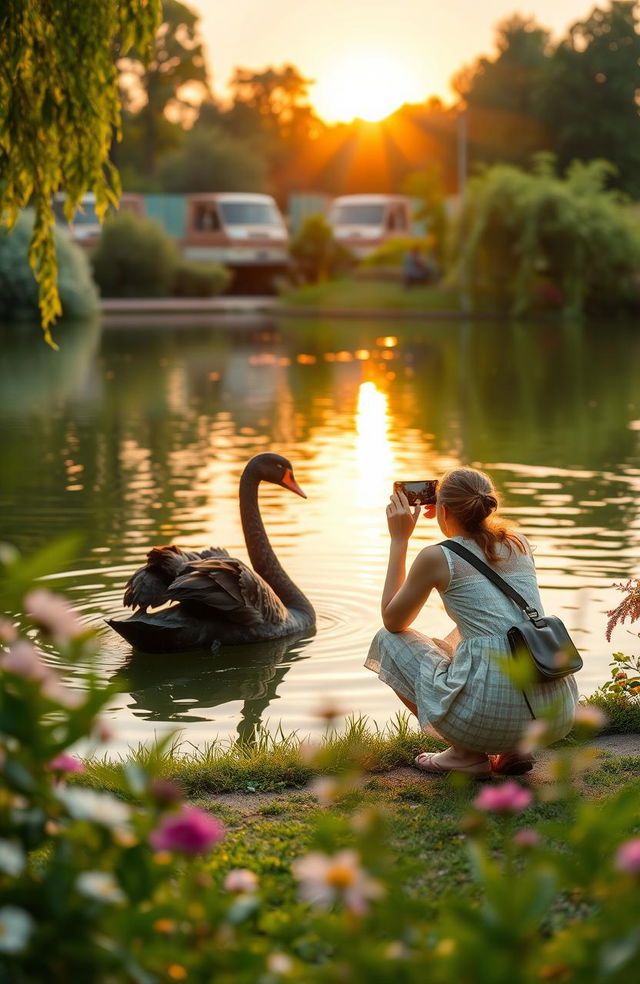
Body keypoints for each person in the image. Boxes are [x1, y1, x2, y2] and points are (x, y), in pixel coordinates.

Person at [364, 467, 578, 777]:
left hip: (487, 719)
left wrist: (400, 539)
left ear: (443, 508)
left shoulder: (438, 556)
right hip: (554, 714)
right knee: (486, 629)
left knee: (387, 640)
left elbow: (392, 620)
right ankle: (513, 747)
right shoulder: (519, 542)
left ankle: (466, 754)